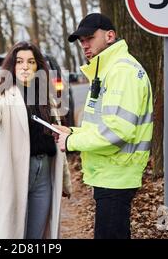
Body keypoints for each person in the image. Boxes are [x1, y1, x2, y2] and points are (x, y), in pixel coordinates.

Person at [54, 13, 153, 239]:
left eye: (89, 38)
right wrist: (72, 132)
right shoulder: (107, 71)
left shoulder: (121, 72)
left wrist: (72, 142)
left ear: (110, 36)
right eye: (81, 41)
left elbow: (118, 131)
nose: (84, 45)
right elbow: (104, 123)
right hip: (111, 174)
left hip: (116, 174)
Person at [0, 41, 72, 239]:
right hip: (17, 172)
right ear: (13, 66)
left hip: (44, 173)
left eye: (31, 61)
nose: (25, 66)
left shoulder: (46, 96)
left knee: (38, 233)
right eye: (20, 61)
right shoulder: (4, 94)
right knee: (14, 232)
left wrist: (65, 180)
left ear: (38, 66)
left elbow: (56, 138)